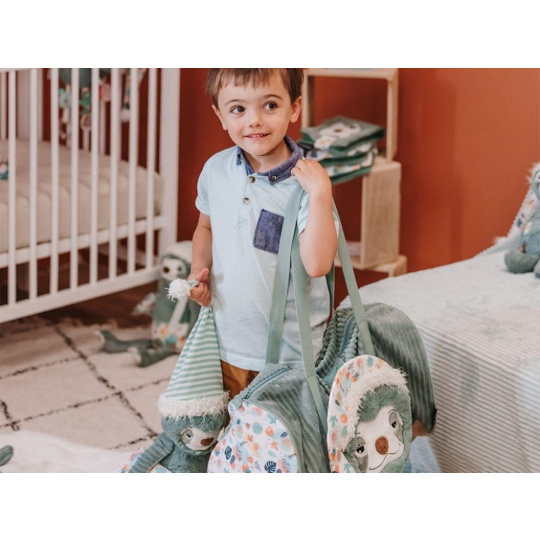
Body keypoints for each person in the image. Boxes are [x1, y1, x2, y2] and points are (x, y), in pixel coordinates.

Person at [188, 68, 338, 399]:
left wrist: (320, 194)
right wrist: (198, 271)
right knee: (229, 426)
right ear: (221, 116)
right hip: (227, 343)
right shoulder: (215, 170)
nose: (254, 120)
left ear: (294, 108)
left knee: (284, 430)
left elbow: (317, 265)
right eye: (238, 109)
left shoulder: (306, 183)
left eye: (270, 105)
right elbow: (206, 226)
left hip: (290, 354)